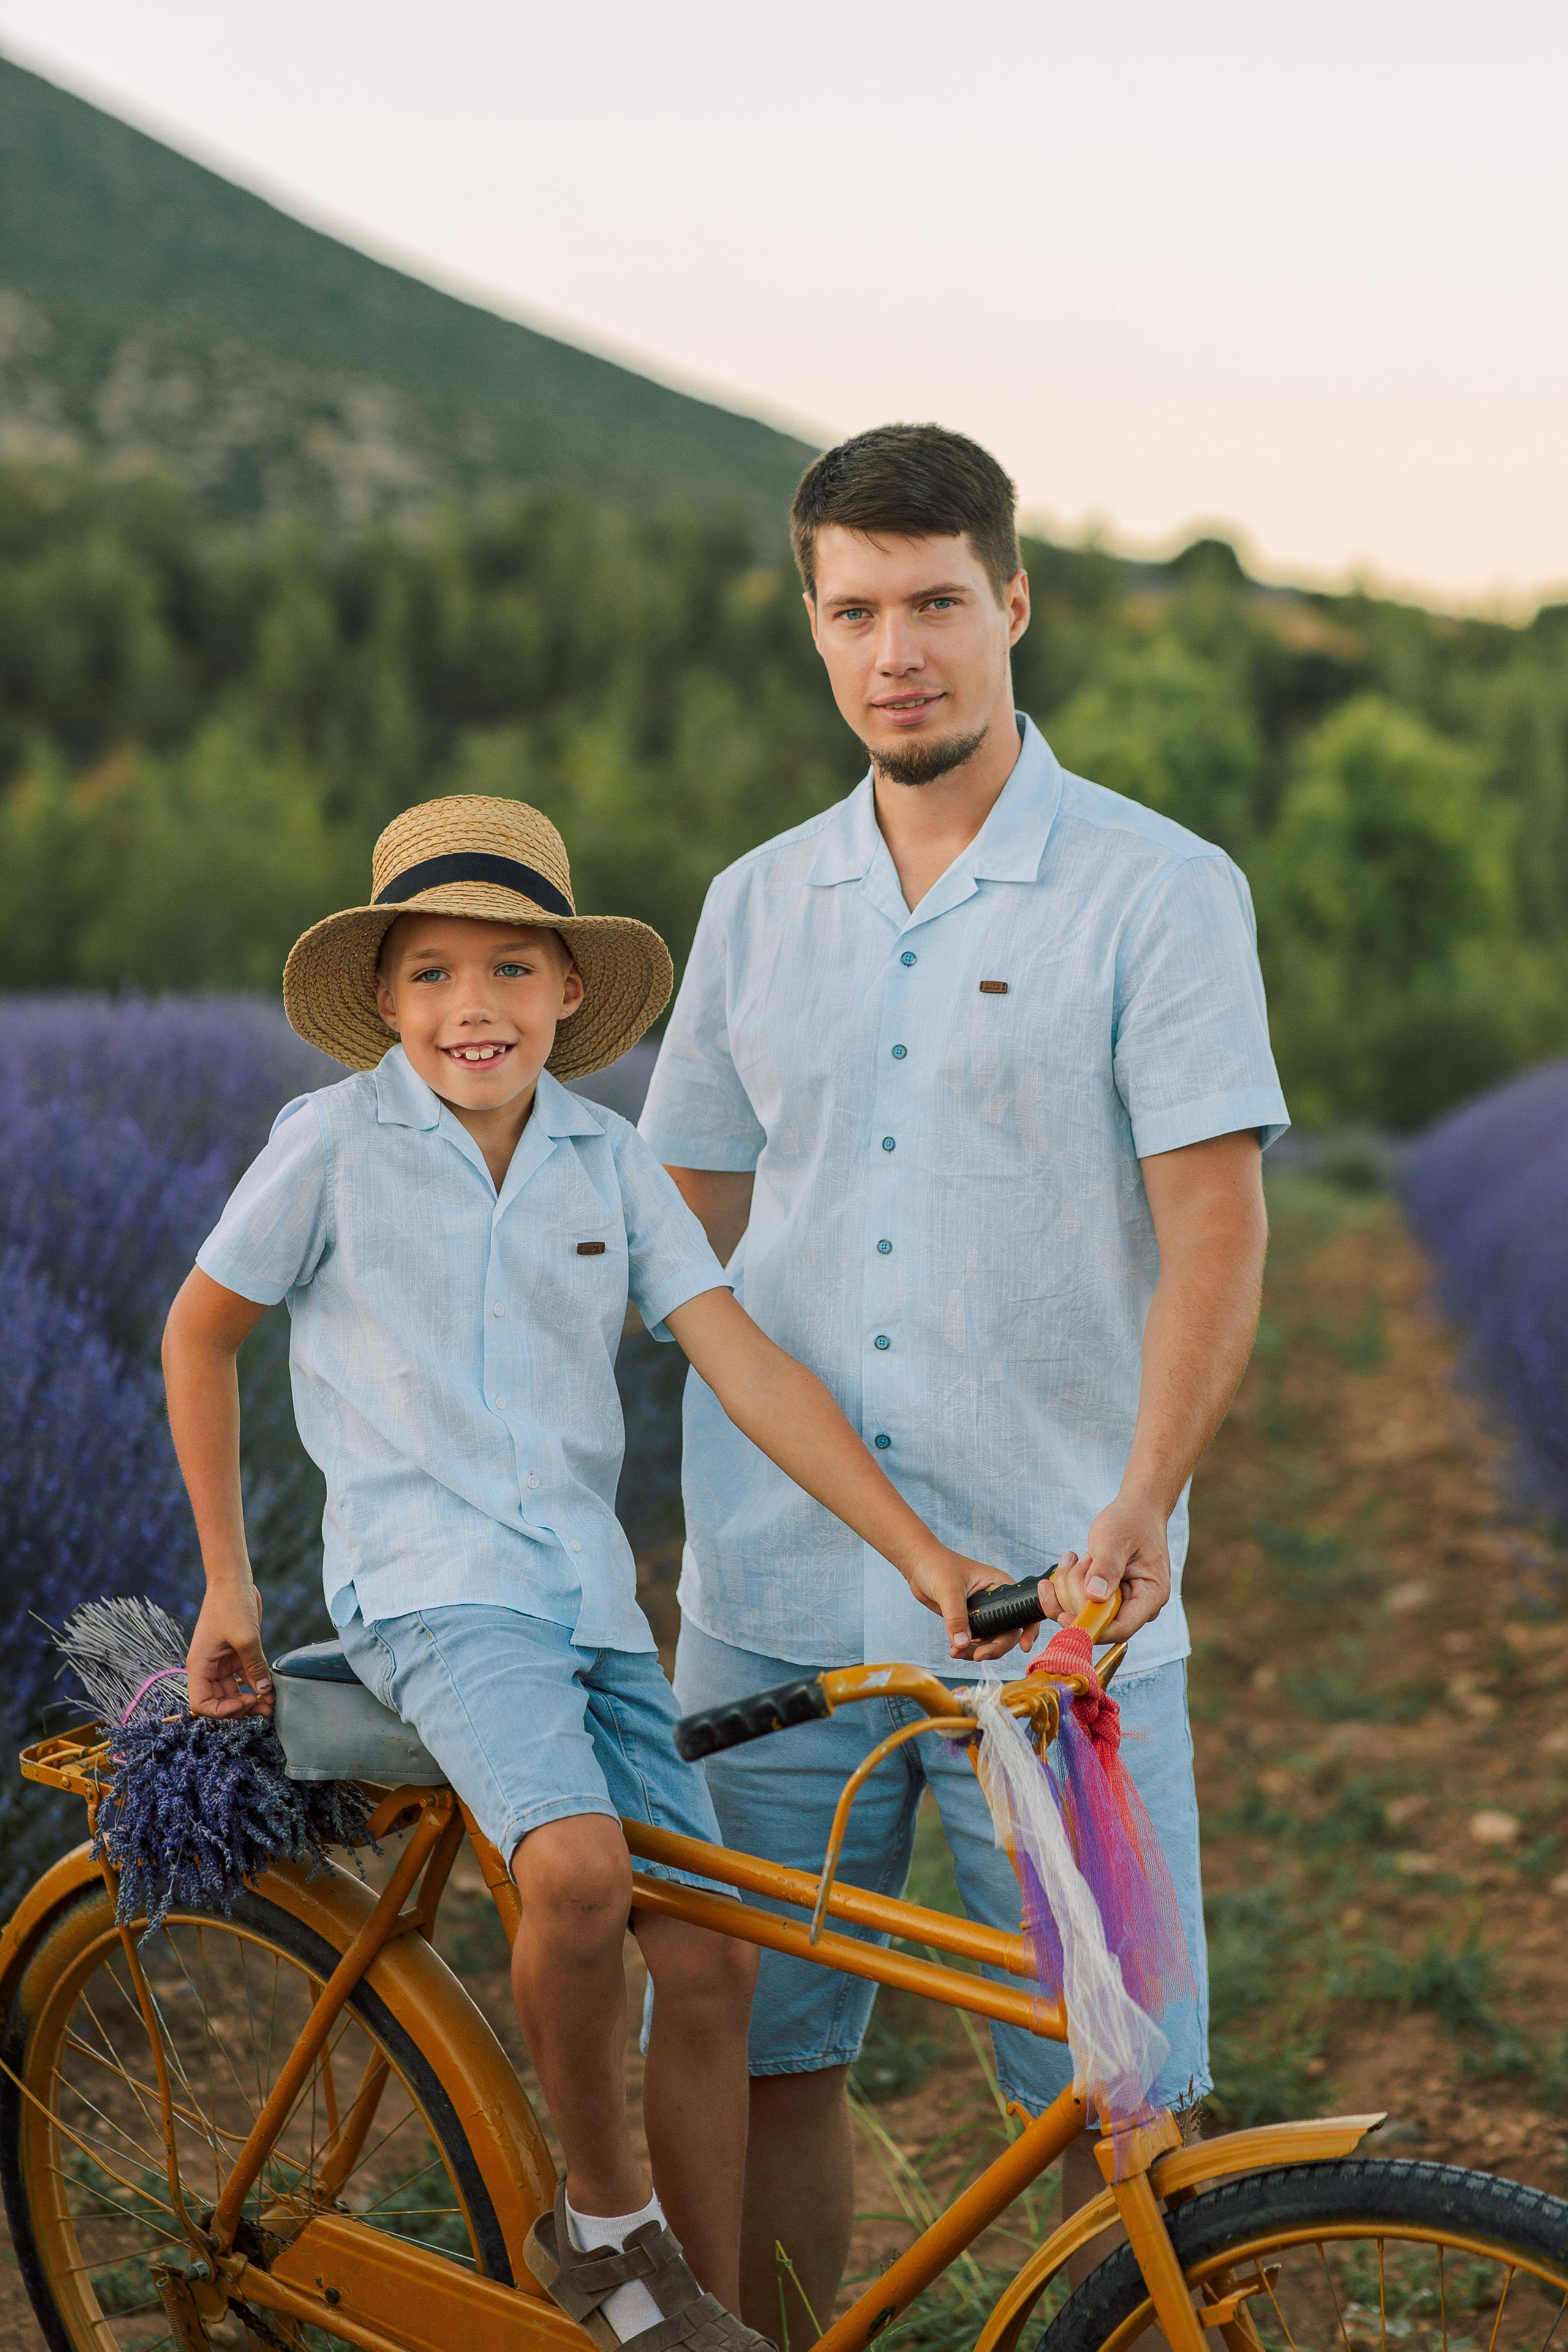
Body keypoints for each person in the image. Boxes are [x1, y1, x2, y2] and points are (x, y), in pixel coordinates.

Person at [161, 793, 1024, 2352]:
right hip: (430, 1593)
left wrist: (922, 1559)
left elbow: (741, 1364)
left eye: (507, 971)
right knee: (572, 1872)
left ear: (568, 993)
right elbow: (199, 1331)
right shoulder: (333, 1147)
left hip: (582, 1602)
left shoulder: (606, 1163)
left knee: (707, 1958)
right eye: (429, 974)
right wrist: (230, 1583)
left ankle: (688, 2321)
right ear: (382, 999)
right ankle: (606, 2232)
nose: (469, 1008)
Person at [638, 423, 1288, 2334]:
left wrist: (1144, 1495)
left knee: (1123, 2101)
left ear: (1015, 604)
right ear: (814, 627)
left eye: (934, 602)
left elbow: (1222, 1230)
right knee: (768, 2056)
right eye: (854, 610)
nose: (895, 648)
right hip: (770, 1614)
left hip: (1057, 1620)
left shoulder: (1159, 893)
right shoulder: (760, 904)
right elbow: (667, 1227)